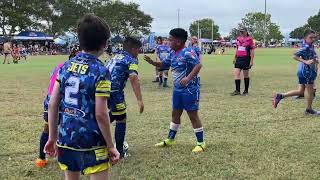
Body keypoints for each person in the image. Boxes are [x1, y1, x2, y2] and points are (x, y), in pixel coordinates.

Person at [44, 14, 120, 180]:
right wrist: (111, 145)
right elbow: (101, 114)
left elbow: (52, 104)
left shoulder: (65, 67)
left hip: (66, 140)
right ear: (105, 44)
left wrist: (52, 137)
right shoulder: (101, 71)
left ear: (80, 41)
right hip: (93, 141)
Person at [144, 28, 206, 153]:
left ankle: (201, 143)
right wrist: (152, 62)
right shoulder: (173, 53)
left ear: (178, 41)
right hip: (177, 90)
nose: (167, 42)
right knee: (175, 113)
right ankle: (170, 139)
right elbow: (164, 64)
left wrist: (188, 78)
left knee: (192, 115)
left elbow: (198, 65)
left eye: (170, 39)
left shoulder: (188, 52)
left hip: (190, 89)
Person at [106, 37, 144, 158]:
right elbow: (133, 77)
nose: (139, 52)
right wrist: (139, 100)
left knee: (109, 115)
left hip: (101, 90)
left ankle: (96, 139)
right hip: (115, 92)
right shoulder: (131, 59)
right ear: (133, 49)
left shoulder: (116, 56)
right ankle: (119, 151)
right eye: (138, 49)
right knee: (121, 118)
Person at [273, 29, 319, 115]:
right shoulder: (306, 47)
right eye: (310, 37)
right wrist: (305, 61)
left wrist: (315, 60)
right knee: (310, 91)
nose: (313, 39)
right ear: (305, 38)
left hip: (303, 71)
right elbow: (294, 56)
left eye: (314, 38)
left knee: (301, 91)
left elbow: (311, 57)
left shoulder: (310, 46)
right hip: (306, 72)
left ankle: (280, 96)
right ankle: (309, 110)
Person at [35, 63, 64, 168]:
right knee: (67, 130)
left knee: (47, 130)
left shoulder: (59, 66)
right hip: (63, 103)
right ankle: (65, 158)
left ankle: (41, 159)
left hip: (49, 101)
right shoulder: (73, 67)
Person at [231, 27, 255, 96]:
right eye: (240, 31)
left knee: (246, 75)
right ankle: (237, 90)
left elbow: (252, 50)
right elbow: (237, 49)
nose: (241, 33)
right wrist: (235, 58)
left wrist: (251, 61)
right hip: (238, 58)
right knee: (236, 74)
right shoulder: (238, 39)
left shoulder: (250, 39)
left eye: (243, 31)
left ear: (246, 32)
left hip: (246, 58)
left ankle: (246, 91)